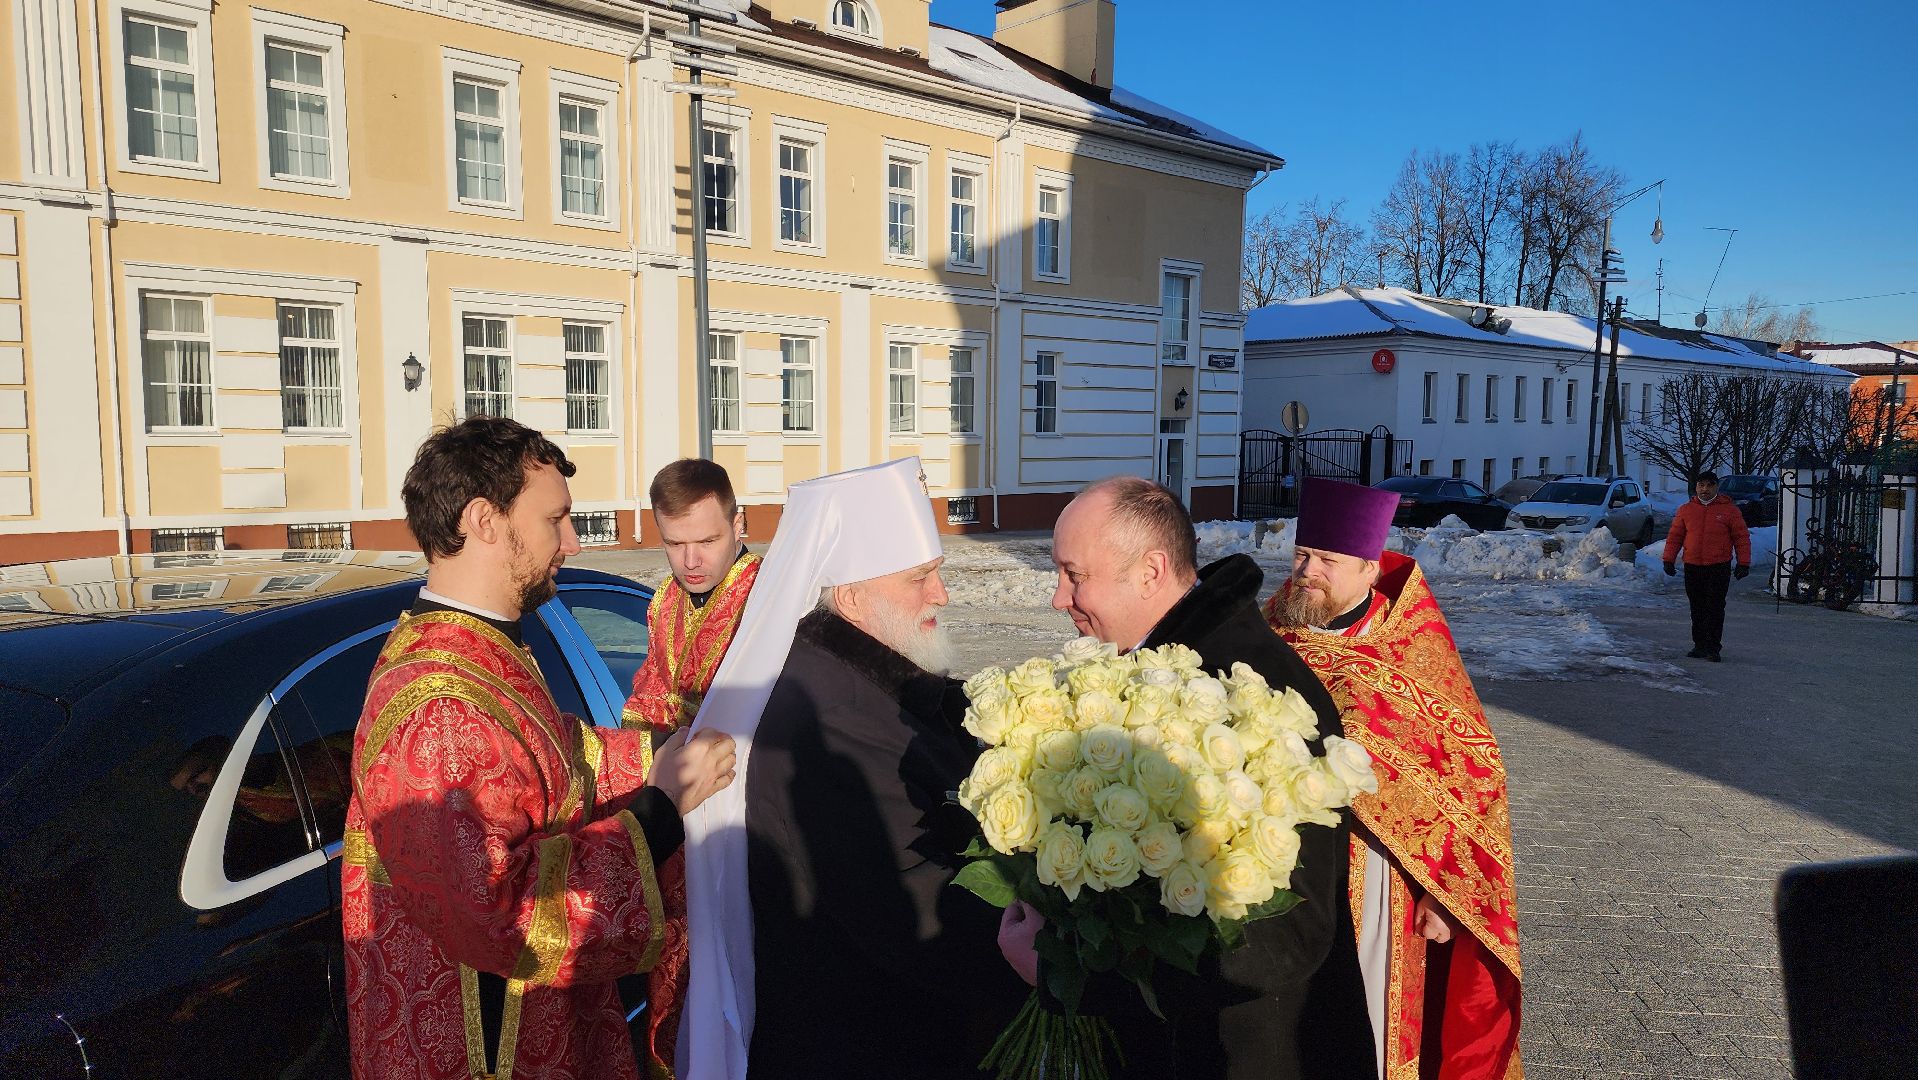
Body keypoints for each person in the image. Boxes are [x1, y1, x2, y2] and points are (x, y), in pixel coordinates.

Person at [342, 417, 737, 1080]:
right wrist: (662, 809)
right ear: (484, 519)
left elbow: (553, 753)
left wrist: (661, 752)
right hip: (488, 1052)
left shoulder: (468, 649)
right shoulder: (439, 709)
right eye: (556, 519)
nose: (572, 542)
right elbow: (502, 913)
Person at [675, 457, 1022, 1080]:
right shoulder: (830, 717)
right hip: (861, 1043)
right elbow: (913, 911)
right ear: (854, 597)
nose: (940, 595)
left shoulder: (858, 677)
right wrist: (1047, 939)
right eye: (920, 578)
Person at [1026, 474, 1375, 1080]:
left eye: (1075, 575)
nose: (1059, 598)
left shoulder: (1251, 693)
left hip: (1248, 1054)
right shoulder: (1157, 661)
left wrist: (1076, 969)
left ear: (1151, 572)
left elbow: (1285, 939)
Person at [1264, 477, 1523, 1080]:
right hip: (1271, 866)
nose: (1307, 571)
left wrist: (1445, 889)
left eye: (1327, 559)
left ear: (1368, 566)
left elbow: (1472, 770)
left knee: (1360, 1028)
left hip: (1371, 875)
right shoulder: (1268, 631)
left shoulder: (1409, 650)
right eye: (1303, 554)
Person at [620, 459, 763, 1071]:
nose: (692, 561)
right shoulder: (663, 605)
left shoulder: (768, 598)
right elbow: (647, 700)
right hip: (682, 810)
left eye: (706, 540)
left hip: (746, 815)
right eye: (675, 544)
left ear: (739, 525)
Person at [1662, 470, 1753, 662]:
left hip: (1718, 566)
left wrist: (1743, 563)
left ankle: (1713, 647)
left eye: (1710, 485)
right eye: (1701, 485)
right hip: (1693, 565)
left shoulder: (1730, 511)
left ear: (1716, 487)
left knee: (1715, 607)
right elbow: (1675, 536)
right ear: (1696, 487)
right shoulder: (1686, 510)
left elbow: (1741, 538)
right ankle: (1699, 645)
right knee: (1697, 607)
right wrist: (1668, 559)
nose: (1705, 489)